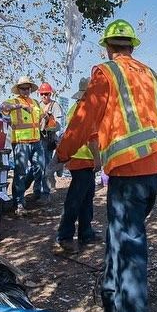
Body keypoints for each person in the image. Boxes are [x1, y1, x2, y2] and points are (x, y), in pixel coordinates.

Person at [56, 19, 157, 312]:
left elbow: (84, 118)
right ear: (132, 46)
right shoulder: (153, 75)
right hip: (155, 167)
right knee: (120, 236)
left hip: (127, 171)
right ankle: (111, 303)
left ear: (108, 48)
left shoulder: (106, 72)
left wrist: (62, 152)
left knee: (129, 241)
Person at [53, 77, 100, 255]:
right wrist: (97, 158)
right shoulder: (85, 111)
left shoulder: (77, 108)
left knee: (86, 198)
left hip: (81, 159)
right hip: (82, 159)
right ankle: (65, 236)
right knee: (76, 199)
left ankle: (85, 233)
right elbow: (92, 138)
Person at [1, 76, 49, 213]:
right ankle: (19, 202)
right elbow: (3, 107)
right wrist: (20, 106)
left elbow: (40, 118)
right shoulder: (13, 101)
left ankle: (23, 190)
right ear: (18, 89)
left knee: (40, 167)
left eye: (27, 88)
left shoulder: (35, 103)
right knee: (20, 172)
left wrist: (45, 117)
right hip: (21, 143)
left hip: (36, 141)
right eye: (22, 88)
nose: (25, 90)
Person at [38, 82, 64, 191]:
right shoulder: (38, 105)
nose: (44, 96)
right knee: (40, 164)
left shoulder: (55, 106)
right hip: (38, 138)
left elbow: (58, 125)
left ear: (50, 94)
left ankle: (47, 189)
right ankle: (44, 187)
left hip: (49, 139)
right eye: (42, 94)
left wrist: (48, 128)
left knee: (46, 163)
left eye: (47, 94)